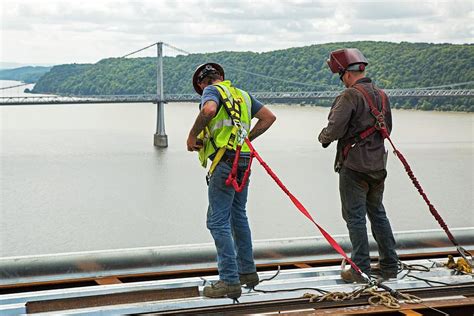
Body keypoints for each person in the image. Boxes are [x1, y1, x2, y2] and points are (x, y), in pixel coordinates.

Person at [187, 63, 276, 298]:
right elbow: (268, 117)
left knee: (218, 221)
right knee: (238, 214)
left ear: (202, 83)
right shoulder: (242, 95)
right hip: (243, 161)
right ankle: (247, 271)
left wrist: (192, 135)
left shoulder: (212, 91)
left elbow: (207, 111)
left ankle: (228, 280)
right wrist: (245, 140)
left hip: (224, 162)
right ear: (221, 76)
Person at [318, 48, 398, 283]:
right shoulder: (382, 95)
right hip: (378, 165)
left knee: (355, 218)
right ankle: (390, 266)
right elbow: (387, 130)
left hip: (354, 166)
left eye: (340, 75)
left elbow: (334, 129)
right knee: (378, 214)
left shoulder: (349, 96)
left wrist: (322, 138)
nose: (341, 80)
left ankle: (360, 269)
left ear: (345, 73)